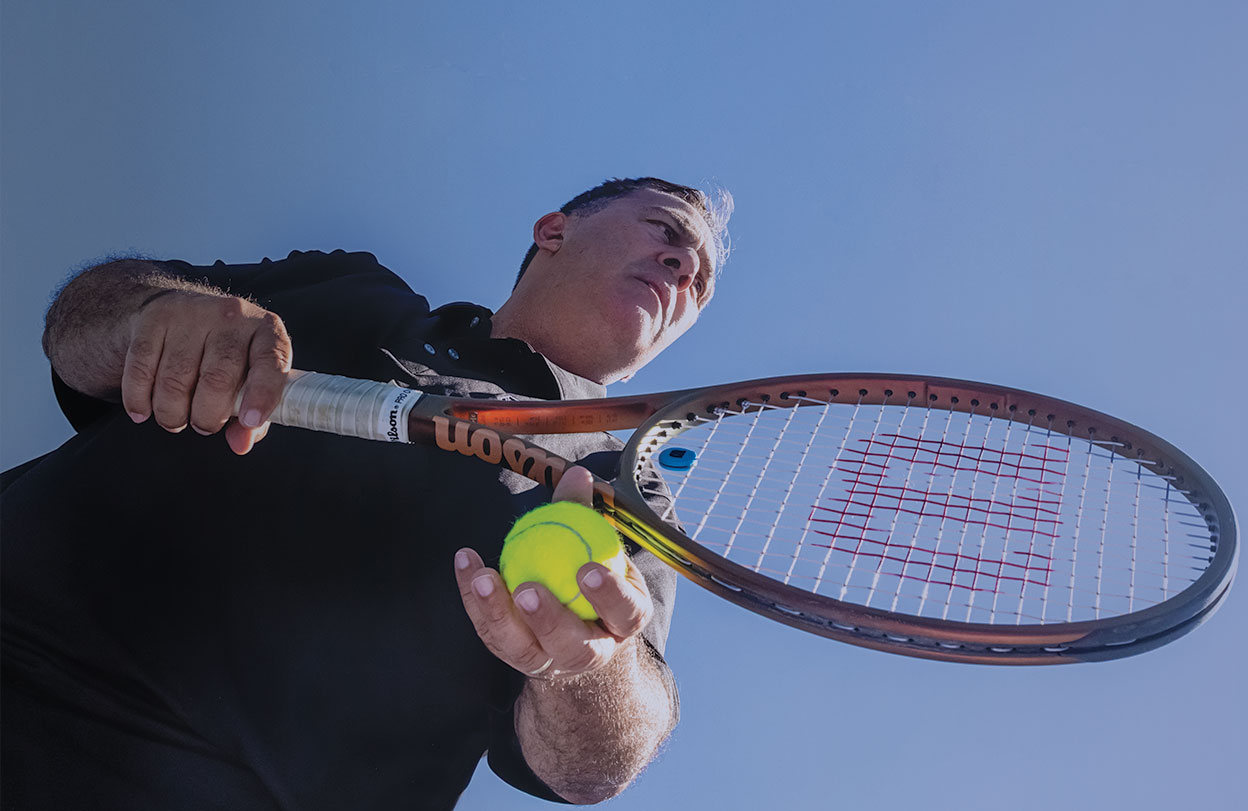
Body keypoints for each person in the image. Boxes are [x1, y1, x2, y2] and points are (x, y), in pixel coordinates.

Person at [0, 177, 731, 808]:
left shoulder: (622, 489)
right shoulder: (350, 283)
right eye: (666, 231)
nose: (681, 264)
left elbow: (598, 761)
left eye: (696, 281)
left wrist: (594, 666)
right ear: (553, 231)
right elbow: (77, 328)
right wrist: (150, 313)